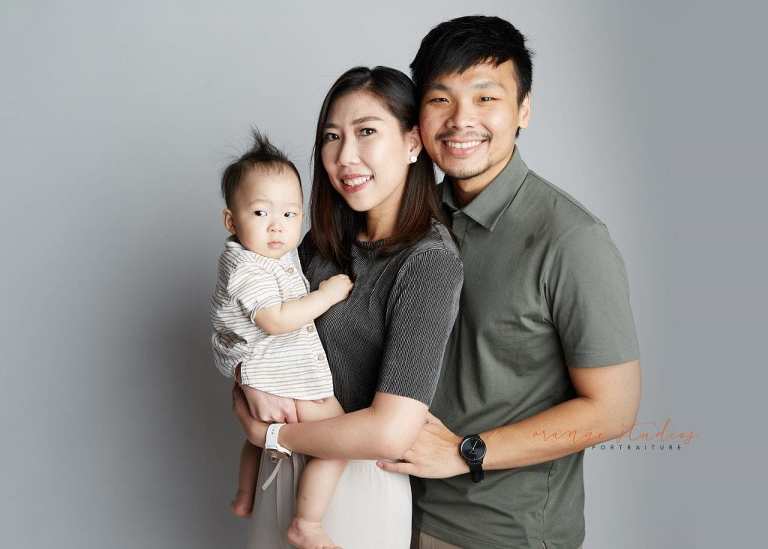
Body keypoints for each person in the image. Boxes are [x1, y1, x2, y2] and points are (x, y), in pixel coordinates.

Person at [376, 16, 642, 549]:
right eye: (440, 99)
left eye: (485, 98)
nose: (460, 121)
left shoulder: (571, 239)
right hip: (389, 511)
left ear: (524, 109)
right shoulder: (410, 219)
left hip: (499, 533)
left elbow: (614, 409)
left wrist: (465, 451)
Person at [232, 66, 464, 549]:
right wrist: (244, 395)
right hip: (282, 477)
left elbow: (390, 432)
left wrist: (270, 436)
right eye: (332, 136)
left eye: (367, 132)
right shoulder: (318, 244)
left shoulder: (428, 262)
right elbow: (255, 333)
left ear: (413, 142)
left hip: (357, 492)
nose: (345, 155)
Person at [210, 131, 354, 548]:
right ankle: (307, 522)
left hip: (268, 373)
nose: (277, 226)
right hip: (284, 374)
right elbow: (274, 319)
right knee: (340, 440)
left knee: (258, 438)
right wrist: (325, 295)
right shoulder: (247, 267)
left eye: (290, 214)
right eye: (260, 213)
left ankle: (243, 495)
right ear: (231, 221)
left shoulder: (269, 253)